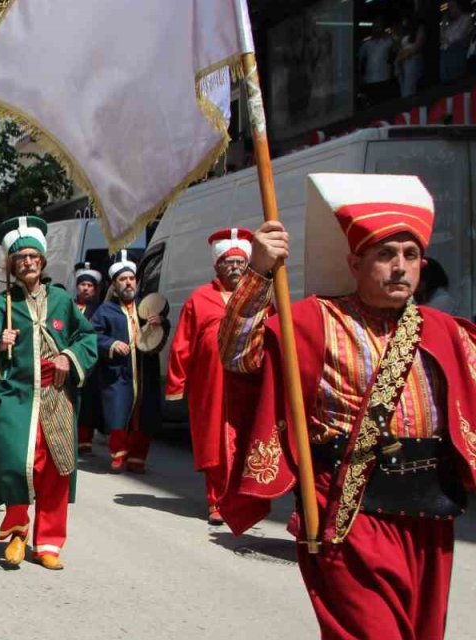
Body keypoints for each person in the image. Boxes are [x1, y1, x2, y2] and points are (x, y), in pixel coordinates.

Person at [218, 173, 476, 640]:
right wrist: (258, 271)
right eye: (386, 255)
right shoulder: (315, 318)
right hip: (346, 508)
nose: (400, 267)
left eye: (411, 255)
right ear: (354, 263)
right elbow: (239, 354)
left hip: (429, 511)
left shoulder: (448, 331)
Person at [0, 216, 97, 571]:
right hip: (15, 398)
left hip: (56, 395)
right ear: (12, 265)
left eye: (33, 257)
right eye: (20, 258)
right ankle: (17, 531)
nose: (27, 262)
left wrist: (67, 357)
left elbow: (87, 339)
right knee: (15, 464)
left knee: (56, 468)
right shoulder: (1, 306)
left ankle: (49, 542)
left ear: (42, 261)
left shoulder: (61, 300)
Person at [165, 228, 254, 526]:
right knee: (215, 442)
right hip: (210, 386)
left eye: (240, 263)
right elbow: (183, 344)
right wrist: (177, 383)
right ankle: (216, 500)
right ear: (216, 266)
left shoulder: (257, 296)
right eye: (228, 263)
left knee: (245, 440)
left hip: (246, 383)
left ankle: (242, 500)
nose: (235, 268)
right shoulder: (200, 298)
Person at [92, 251, 168, 473]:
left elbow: (163, 327)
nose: (128, 283)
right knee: (117, 414)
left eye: (131, 279)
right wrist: (111, 345)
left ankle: (137, 458)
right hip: (119, 373)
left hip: (145, 370)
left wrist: (160, 322)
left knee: (145, 416)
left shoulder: (146, 306)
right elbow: (93, 335)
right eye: (122, 279)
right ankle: (118, 453)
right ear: (114, 284)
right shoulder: (105, 311)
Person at [72, 262, 103, 455]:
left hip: (91, 363)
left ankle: (85, 441)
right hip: (70, 358)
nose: (86, 288)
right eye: (83, 284)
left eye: (90, 285)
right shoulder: (69, 305)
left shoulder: (99, 310)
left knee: (89, 403)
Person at [357, 21, 397, 105]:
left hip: (384, 79)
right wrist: (359, 76)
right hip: (370, 80)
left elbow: (396, 46)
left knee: (384, 104)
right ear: (372, 29)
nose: (377, 30)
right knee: (372, 104)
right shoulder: (366, 44)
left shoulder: (388, 42)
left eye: (379, 27)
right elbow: (359, 61)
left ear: (382, 29)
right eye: (375, 27)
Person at [395, 11, 426, 97]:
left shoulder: (419, 28)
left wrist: (402, 57)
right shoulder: (405, 31)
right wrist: (397, 62)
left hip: (413, 60)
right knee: (404, 89)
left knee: (410, 89)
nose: (403, 21)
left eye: (404, 19)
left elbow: (417, 47)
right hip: (403, 62)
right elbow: (400, 49)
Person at [441, 1, 472, 83]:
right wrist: (444, 23)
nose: (450, 10)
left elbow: (461, 36)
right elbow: (444, 38)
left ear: (458, 7)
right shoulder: (451, 24)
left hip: (461, 50)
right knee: (443, 52)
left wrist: (451, 41)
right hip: (449, 51)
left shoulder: (467, 18)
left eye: (452, 7)